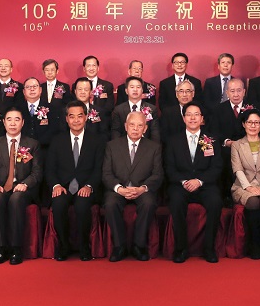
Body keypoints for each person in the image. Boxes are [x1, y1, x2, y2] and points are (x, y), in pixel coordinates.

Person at [47, 101, 107, 261]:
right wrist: (56, 185)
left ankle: (83, 246)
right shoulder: (57, 140)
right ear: (66, 119)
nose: (76, 120)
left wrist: (89, 186)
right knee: (58, 204)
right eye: (71, 116)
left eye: (80, 116)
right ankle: (64, 245)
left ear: (86, 117)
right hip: (64, 186)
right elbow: (50, 169)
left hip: (86, 185)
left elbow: (99, 168)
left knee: (82, 204)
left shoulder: (97, 140)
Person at [165, 103, 223, 264]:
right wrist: (184, 181)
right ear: (183, 118)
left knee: (215, 201)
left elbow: (217, 166)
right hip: (180, 185)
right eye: (189, 114)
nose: (192, 118)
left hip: (205, 184)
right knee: (176, 202)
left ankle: (209, 248)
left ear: (202, 118)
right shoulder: (173, 140)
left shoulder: (211, 139)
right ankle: (181, 249)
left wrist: (199, 181)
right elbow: (169, 168)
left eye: (196, 114)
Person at [102, 111, 163, 262]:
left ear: (145, 128)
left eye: (140, 125)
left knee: (149, 203)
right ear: (125, 126)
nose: (135, 128)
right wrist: (120, 189)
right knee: (110, 203)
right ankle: (119, 246)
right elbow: (106, 174)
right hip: (119, 188)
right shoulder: (112, 146)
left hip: (142, 189)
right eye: (132, 125)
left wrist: (142, 188)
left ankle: (139, 245)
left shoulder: (154, 147)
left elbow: (157, 175)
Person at [0, 108, 42, 265]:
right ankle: (2, 248)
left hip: (23, 188)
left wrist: (25, 184)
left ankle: (16, 248)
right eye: (9, 119)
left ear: (22, 123)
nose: (12, 123)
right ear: (3, 122)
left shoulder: (32, 144)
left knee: (16, 199)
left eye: (17, 119)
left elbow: (37, 172)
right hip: (1, 187)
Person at [230, 109, 260, 259]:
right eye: (250, 122)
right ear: (244, 124)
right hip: (242, 186)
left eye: (257, 122)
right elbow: (237, 168)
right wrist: (248, 187)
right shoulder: (237, 145)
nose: (253, 125)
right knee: (252, 202)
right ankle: (253, 245)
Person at [110, 76, 160, 141]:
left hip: (147, 146)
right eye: (132, 87)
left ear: (142, 90)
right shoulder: (118, 110)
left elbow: (155, 132)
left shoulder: (152, 109)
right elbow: (116, 132)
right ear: (126, 91)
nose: (135, 90)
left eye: (138, 87)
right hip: (124, 146)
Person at [19, 78, 63, 150]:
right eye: (28, 87)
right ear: (24, 91)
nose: (32, 89)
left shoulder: (52, 109)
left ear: (40, 90)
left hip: (45, 149)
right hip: (22, 149)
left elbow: (54, 130)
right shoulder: (17, 109)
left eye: (35, 86)